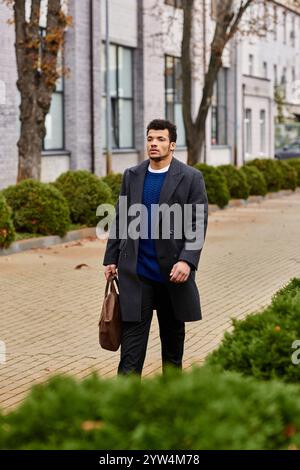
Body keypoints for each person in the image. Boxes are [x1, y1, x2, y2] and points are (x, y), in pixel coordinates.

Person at [103, 119, 208, 376]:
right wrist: (111, 258)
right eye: (150, 138)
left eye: (160, 139)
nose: (154, 143)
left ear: (172, 145)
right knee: (131, 351)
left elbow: (197, 222)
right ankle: (125, 406)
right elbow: (121, 217)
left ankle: (170, 405)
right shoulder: (133, 175)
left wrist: (187, 260)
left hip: (173, 274)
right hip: (137, 274)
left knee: (172, 349)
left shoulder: (190, 177)